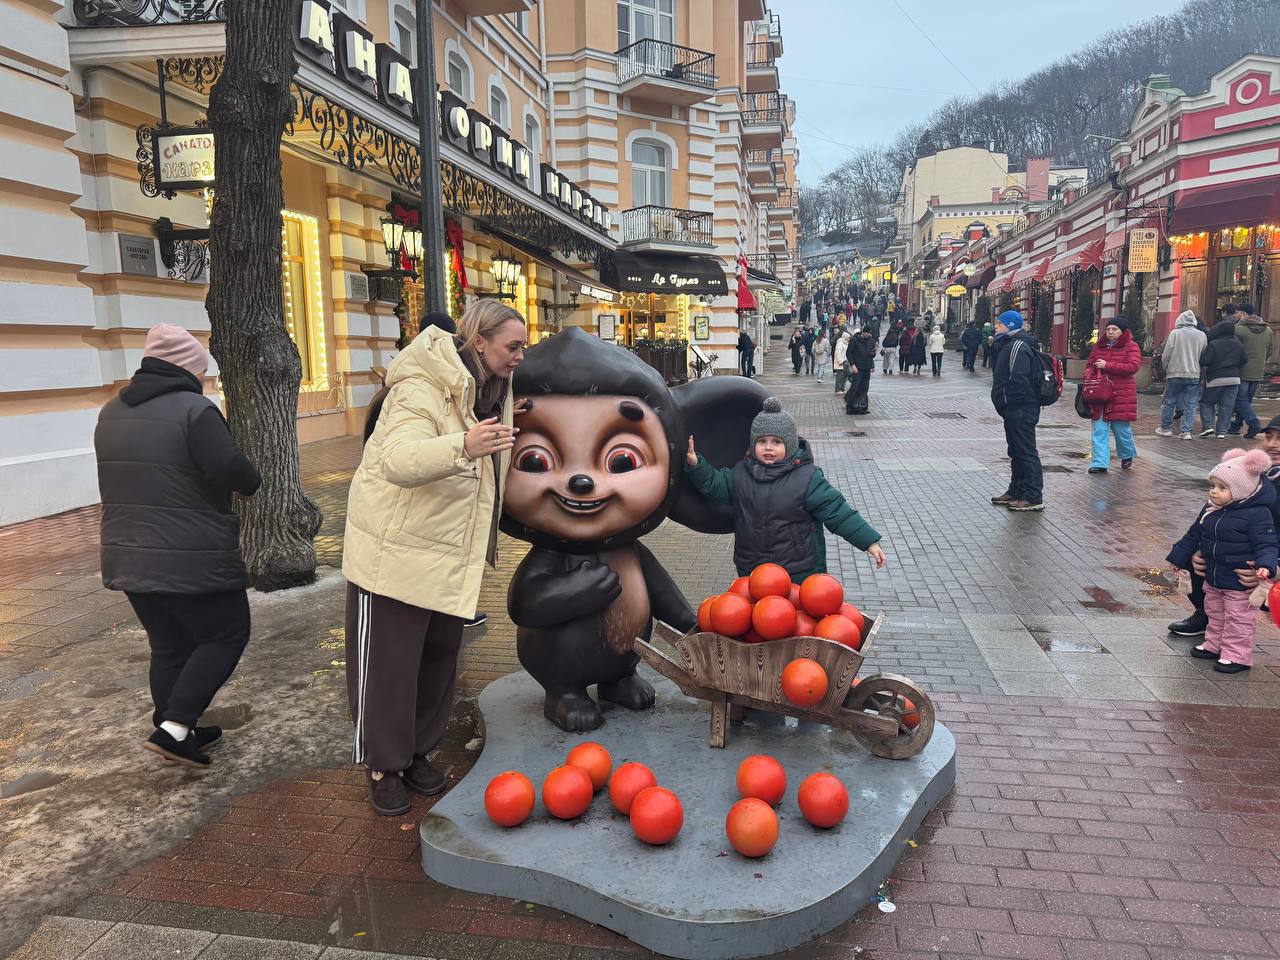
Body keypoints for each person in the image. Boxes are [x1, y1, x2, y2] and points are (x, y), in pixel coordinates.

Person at [343, 300, 526, 816]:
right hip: (393, 556)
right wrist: (463, 446)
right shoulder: (419, 389)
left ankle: (417, 752)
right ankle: (383, 765)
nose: (519, 357)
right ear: (480, 341)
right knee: (389, 670)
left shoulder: (493, 390)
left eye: (523, 348)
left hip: (447, 553)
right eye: (513, 346)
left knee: (436, 663)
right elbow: (397, 460)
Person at [95, 323, 261, 769]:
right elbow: (238, 475)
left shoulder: (110, 411)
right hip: (192, 556)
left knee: (168, 644)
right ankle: (173, 728)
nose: (204, 381)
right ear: (187, 369)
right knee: (226, 633)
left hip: (126, 553)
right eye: (202, 373)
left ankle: (177, 730)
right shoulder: (195, 411)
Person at [685, 397, 887, 582]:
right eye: (762, 441)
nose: (768, 447)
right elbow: (715, 484)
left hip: (798, 570)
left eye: (777, 442)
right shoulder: (740, 475)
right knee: (760, 617)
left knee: (795, 619)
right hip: (752, 569)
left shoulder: (808, 478)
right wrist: (696, 465)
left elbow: (838, 513)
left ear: (789, 444)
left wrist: (869, 542)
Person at [1168, 447, 1277, 675]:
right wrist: (1179, 556)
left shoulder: (1257, 514)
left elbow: (1266, 543)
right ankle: (1213, 644)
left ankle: (1237, 655)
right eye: (1213, 486)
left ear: (1241, 490)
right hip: (1215, 575)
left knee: (1238, 618)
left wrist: (1267, 565)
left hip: (1239, 578)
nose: (1214, 492)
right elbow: (1193, 535)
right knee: (1215, 611)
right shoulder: (1214, 510)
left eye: (1222, 488)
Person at [1170, 414, 1280, 638]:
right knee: (1192, 551)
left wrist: (1276, 571)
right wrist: (1202, 548)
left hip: (1268, 560)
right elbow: (1209, 515)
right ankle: (1208, 615)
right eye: (1269, 436)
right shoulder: (1249, 474)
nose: (1272, 444)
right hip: (1244, 556)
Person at [990, 311, 1044, 512]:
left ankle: (1032, 495)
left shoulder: (1018, 346)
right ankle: (1017, 490)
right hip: (1016, 408)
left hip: (1021, 408)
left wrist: (1008, 403)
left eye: (1000, 324)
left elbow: (1018, 379)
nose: (996, 327)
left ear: (1010, 325)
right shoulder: (1009, 344)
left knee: (1026, 451)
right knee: (1015, 451)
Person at [1083, 319, 1141, 474]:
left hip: (1121, 394)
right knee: (1099, 429)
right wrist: (1090, 374)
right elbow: (1089, 365)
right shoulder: (1099, 346)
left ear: (1122, 331)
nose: (1110, 332)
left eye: (1114, 329)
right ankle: (1100, 463)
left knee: (1121, 429)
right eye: (1108, 329)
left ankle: (1127, 454)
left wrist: (1107, 365)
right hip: (1099, 394)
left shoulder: (1131, 346)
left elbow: (1133, 366)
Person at [1156, 310, 1207, 439]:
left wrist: (1165, 367)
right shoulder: (1202, 335)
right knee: (1190, 403)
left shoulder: (1175, 334)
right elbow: (1203, 353)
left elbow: (1166, 354)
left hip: (1175, 372)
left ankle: (1166, 428)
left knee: (1169, 401)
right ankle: (1186, 431)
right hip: (1194, 373)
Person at [1229, 303, 1272, 438]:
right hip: (1258, 369)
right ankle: (1236, 426)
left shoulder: (1238, 329)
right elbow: (1270, 351)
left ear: (1244, 314)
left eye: (1237, 312)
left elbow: (1233, 349)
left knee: (1241, 399)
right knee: (1246, 400)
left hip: (1241, 370)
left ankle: (1254, 423)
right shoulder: (1268, 330)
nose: (1236, 315)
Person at [1198, 320, 1245, 438]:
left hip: (1215, 378)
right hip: (1234, 379)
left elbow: (1206, 361)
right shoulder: (1238, 344)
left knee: (1207, 402)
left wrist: (1201, 358)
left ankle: (1208, 426)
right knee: (1227, 406)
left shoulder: (1214, 343)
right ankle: (1221, 432)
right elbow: (1244, 359)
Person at [844, 326, 877, 415]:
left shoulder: (871, 341)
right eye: (868, 333)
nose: (870, 335)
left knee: (865, 388)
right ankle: (850, 407)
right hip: (857, 368)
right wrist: (853, 365)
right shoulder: (854, 340)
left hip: (867, 367)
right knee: (855, 387)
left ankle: (862, 406)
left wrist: (873, 356)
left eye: (871, 333)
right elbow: (849, 353)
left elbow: (873, 352)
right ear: (864, 332)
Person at [833, 329, 851, 394]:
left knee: (844, 377)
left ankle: (842, 388)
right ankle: (838, 389)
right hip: (841, 363)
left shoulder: (846, 343)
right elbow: (838, 353)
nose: (849, 339)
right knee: (839, 377)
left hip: (845, 362)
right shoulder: (840, 343)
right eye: (848, 338)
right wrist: (841, 361)